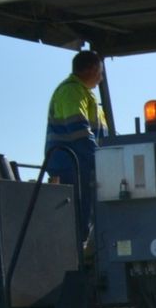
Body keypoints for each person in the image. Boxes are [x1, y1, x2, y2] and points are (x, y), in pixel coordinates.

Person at [45, 49, 109, 246]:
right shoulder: (71, 91)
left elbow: (100, 136)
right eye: (100, 72)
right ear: (90, 69)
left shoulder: (86, 96)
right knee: (78, 218)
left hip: (83, 165)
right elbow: (79, 133)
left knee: (90, 215)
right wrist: (103, 162)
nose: (101, 78)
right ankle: (76, 254)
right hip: (70, 166)